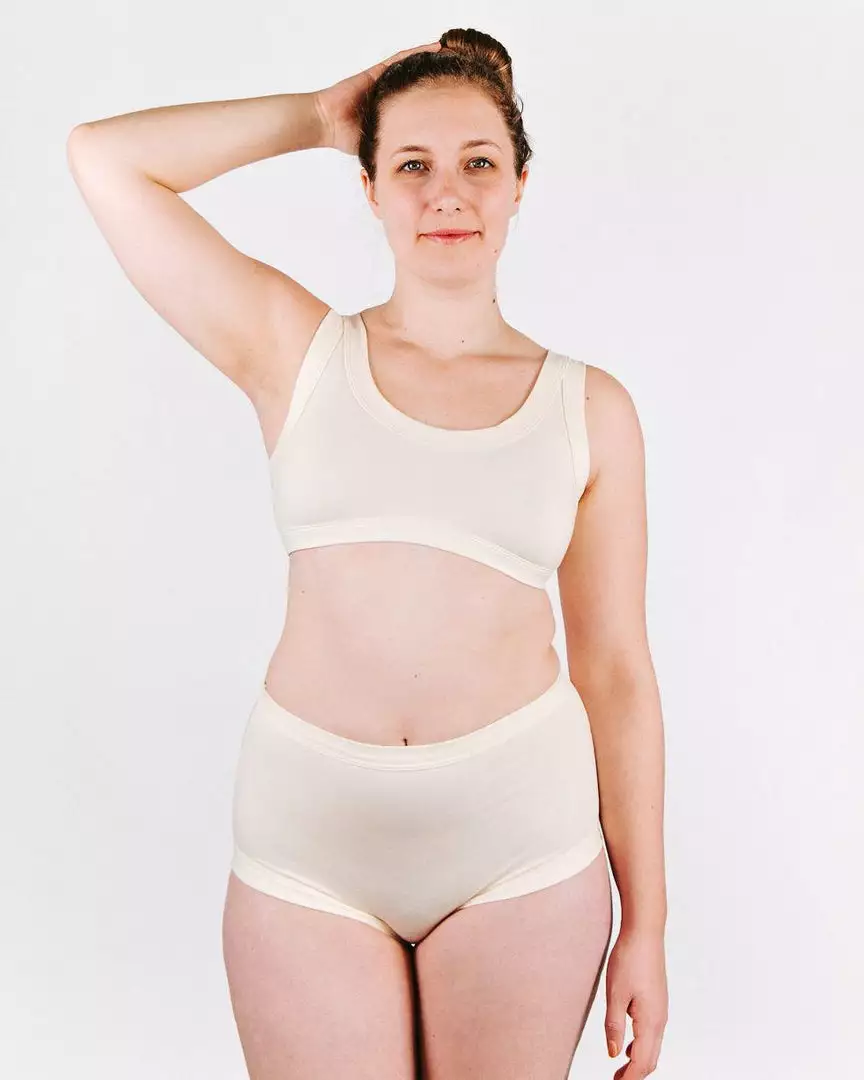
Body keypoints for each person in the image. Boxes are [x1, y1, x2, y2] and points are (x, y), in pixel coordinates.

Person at [67, 27, 668, 1080]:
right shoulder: (295, 352)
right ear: (371, 187)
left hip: (518, 848)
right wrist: (313, 116)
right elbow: (106, 160)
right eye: (413, 165)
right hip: (311, 848)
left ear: (520, 185)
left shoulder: (591, 411)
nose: (448, 193)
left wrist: (649, 924)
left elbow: (615, 672)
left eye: (478, 162)